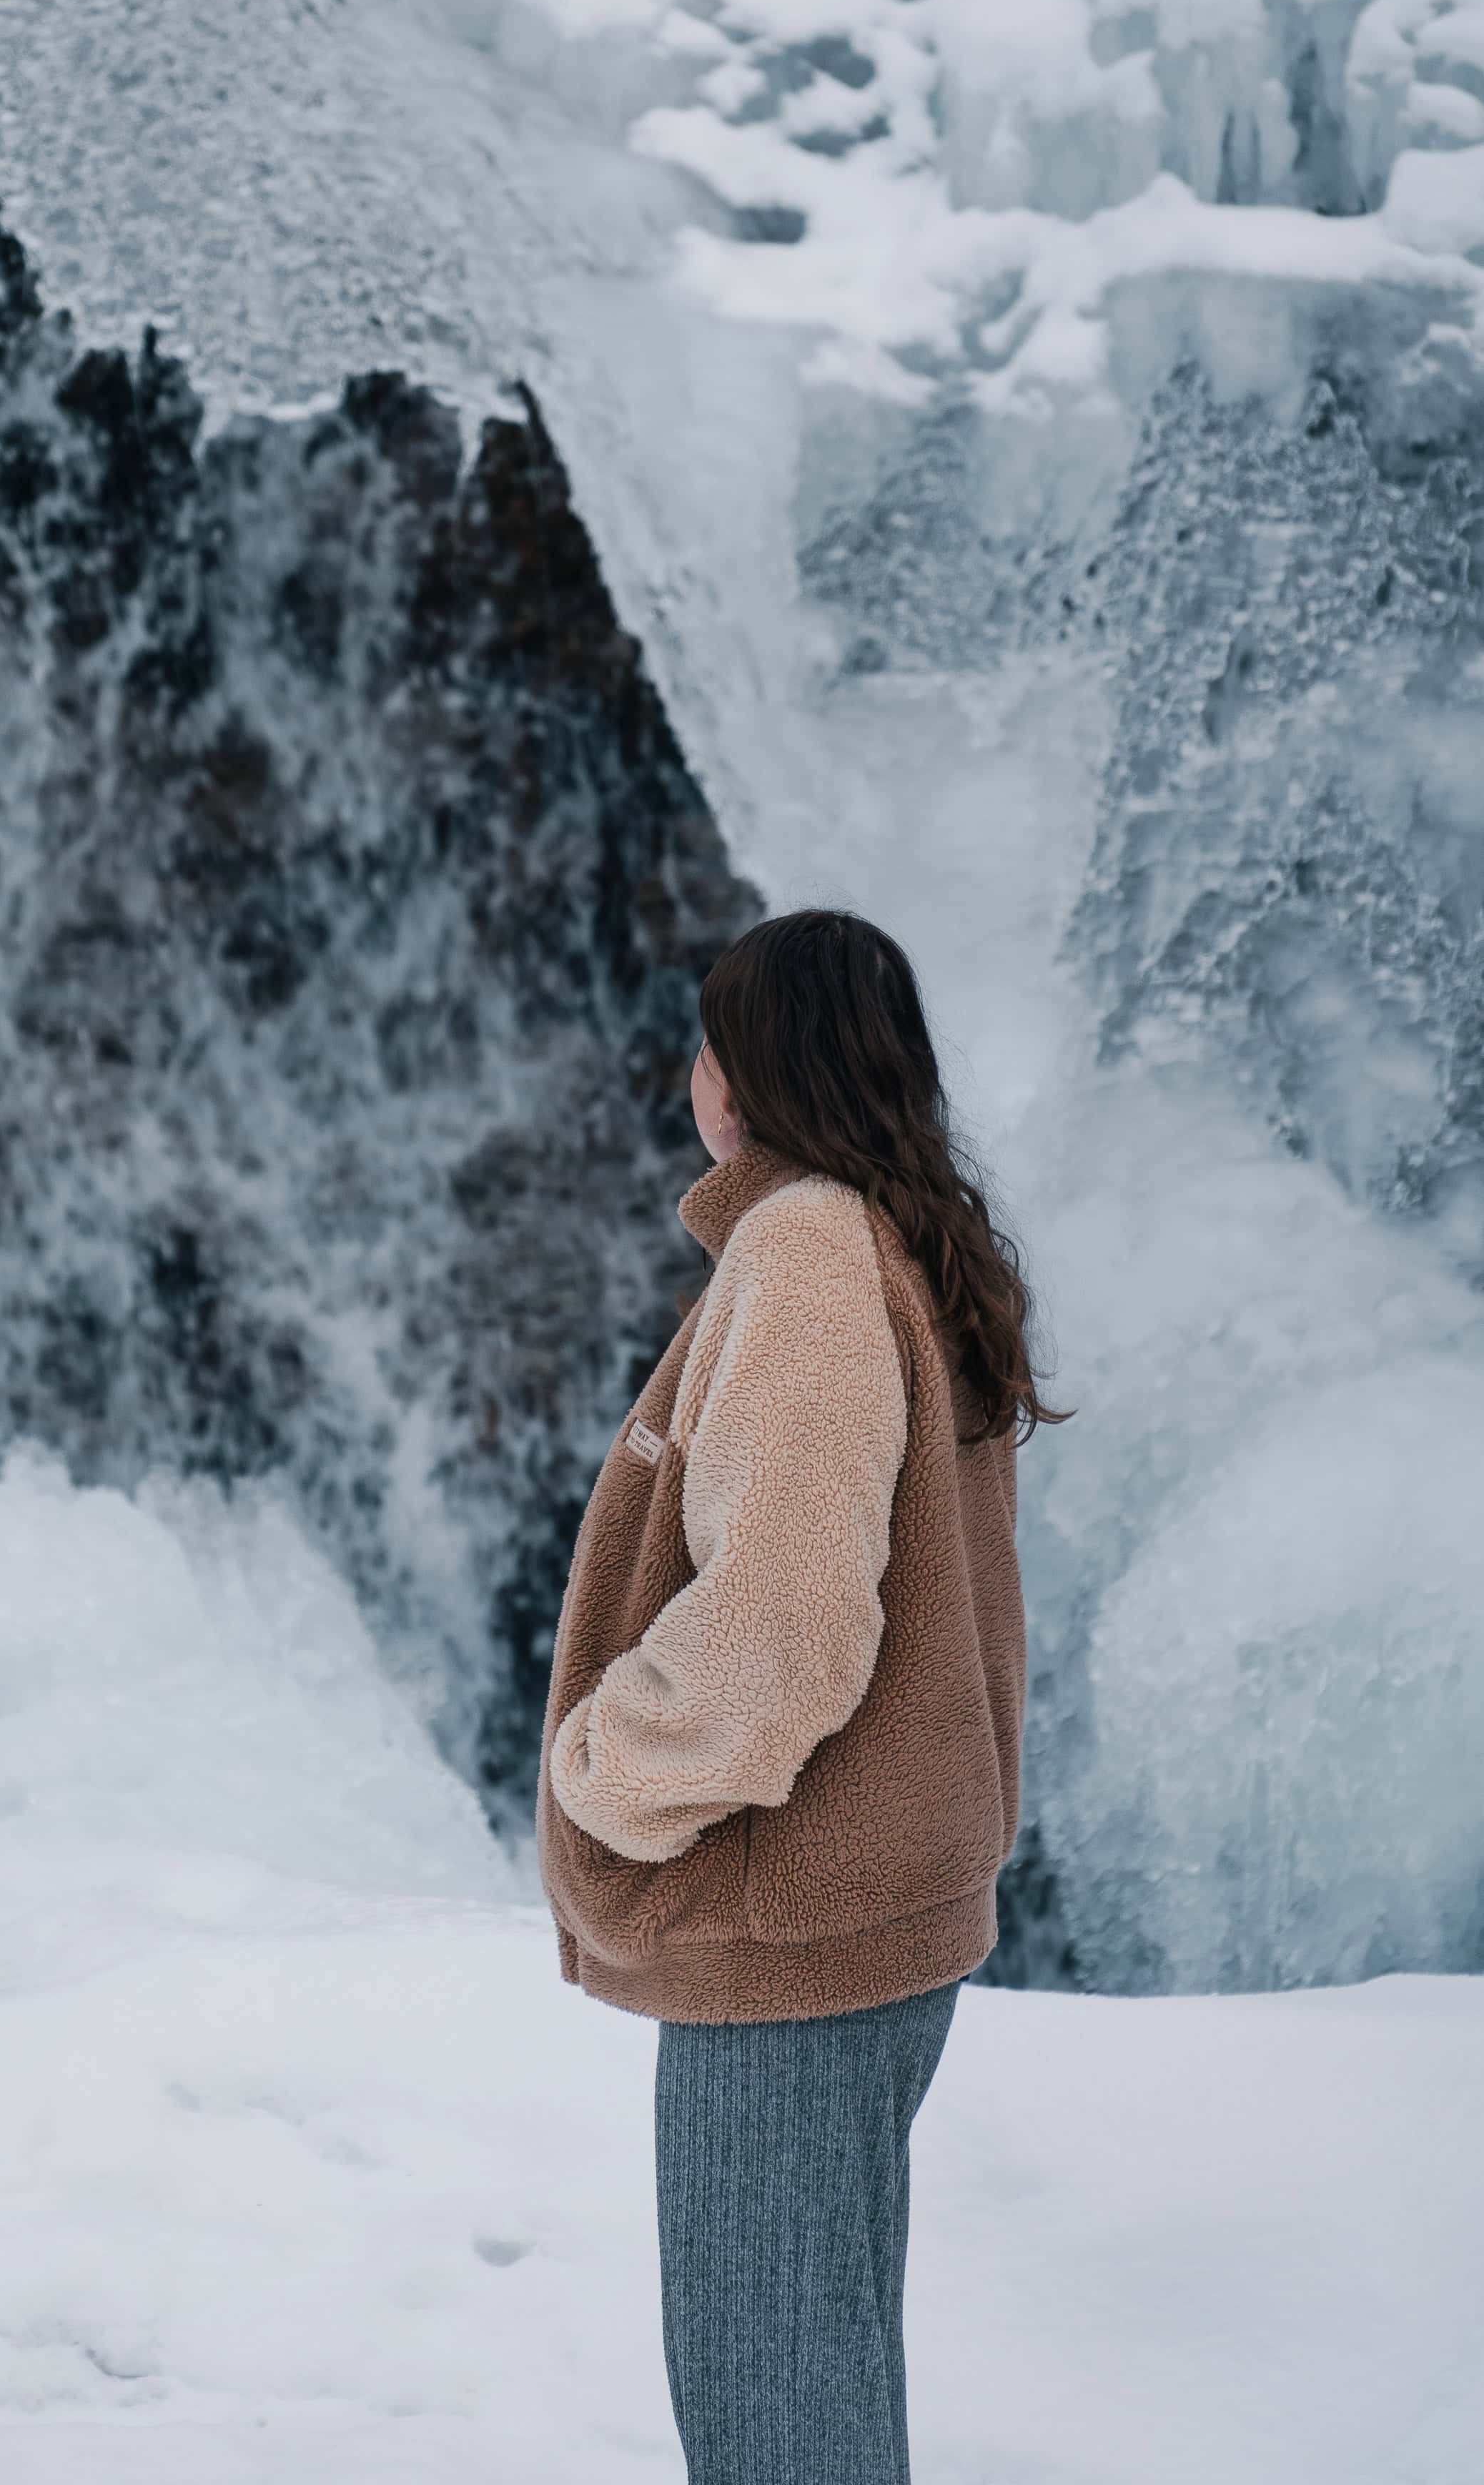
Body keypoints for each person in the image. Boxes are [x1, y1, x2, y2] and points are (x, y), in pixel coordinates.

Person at [538, 907, 1064, 2485]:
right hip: (871, 1912)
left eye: (707, 1039)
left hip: (792, 1937)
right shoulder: (903, 1231)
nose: (687, 1070)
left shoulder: (811, 1251)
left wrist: (602, 1770)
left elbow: (784, 1624)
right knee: (818, 2378)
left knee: (776, 2420)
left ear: (754, 1068)